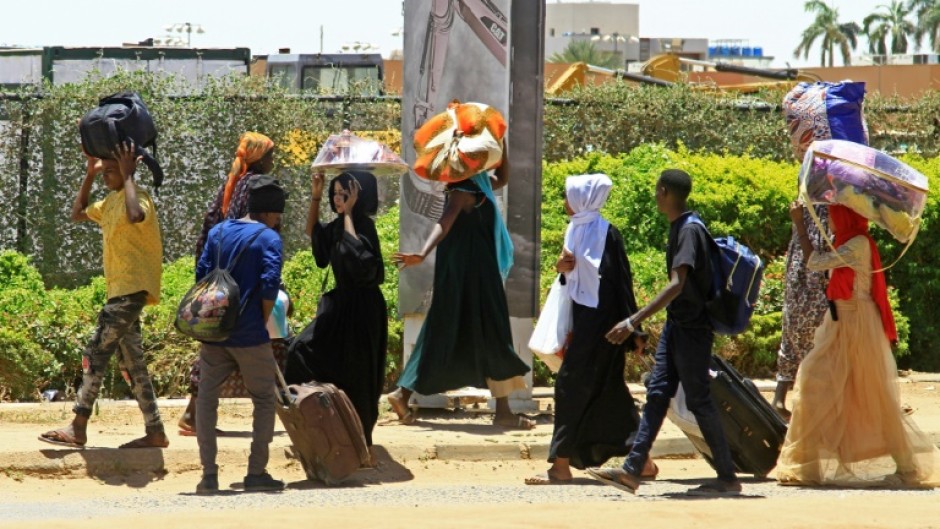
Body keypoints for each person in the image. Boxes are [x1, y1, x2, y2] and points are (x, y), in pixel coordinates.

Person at [588, 169, 742, 497]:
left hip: (692, 330)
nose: (655, 195)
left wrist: (633, 321)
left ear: (663, 192)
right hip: (678, 327)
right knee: (657, 393)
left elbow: (677, 284)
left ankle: (728, 476)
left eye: (656, 191)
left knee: (698, 399)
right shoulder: (682, 226)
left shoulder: (689, 231)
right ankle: (631, 470)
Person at [776, 203, 940, 487]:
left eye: (836, 215)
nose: (833, 221)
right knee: (816, 383)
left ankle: (908, 468)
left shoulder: (858, 244)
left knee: (875, 397)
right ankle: (805, 466)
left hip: (857, 325)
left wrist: (800, 224)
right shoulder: (847, 241)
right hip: (841, 322)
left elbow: (814, 262)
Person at [525, 173, 655, 485]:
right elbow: (572, 280)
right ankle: (644, 462)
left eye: (568, 197)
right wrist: (561, 269)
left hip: (606, 329)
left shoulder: (608, 234)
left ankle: (560, 466)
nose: (565, 203)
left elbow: (621, 285)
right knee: (609, 392)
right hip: (584, 323)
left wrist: (633, 330)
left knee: (570, 388)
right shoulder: (575, 229)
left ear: (584, 199)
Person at [388, 151, 534, 430]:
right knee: (493, 331)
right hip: (472, 275)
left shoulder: (478, 184)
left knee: (444, 330)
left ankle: (402, 394)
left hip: (469, 273)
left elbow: (503, 176)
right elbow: (445, 222)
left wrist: (500, 145)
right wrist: (422, 252)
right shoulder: (464, 189)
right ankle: (503, 413)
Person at [39, 140, 168, 450]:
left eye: (111, 171)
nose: (107, 176)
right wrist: (89, 174)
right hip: (118, 292)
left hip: (132, 290)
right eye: (106, 171)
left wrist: (127, 176)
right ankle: (155, 431)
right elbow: (78, 212)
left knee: (95, 352)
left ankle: (78, 426)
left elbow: (135, 214)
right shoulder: (109, 203)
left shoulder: (140, 199)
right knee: (133, 364)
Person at [193, 176, 286, 494]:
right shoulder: (269, 238)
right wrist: (258, 321)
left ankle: (208, 476)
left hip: (215, 333)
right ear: (272, 213)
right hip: (249, 335)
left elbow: (201, 275)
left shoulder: (219, 231)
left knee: (207, 399)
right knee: (263, 400)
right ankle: (255, 472)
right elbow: (269, 284)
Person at [179, 132, 276, 435]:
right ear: (259, 158)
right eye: (271, 155)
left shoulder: (233, 183)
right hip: (242, 276)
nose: (274, 160)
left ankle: (196, 415)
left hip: (219, 274)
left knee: (219, 342)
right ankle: (195, 415)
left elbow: (211, 226)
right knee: (236, 343)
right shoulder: (254, 186)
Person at [284, 170, 388, 454]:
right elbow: (314, 235)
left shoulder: (364, 227)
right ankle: (317, 426)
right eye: (336, 194)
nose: (338, 199)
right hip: (339, 308)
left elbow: (363, 263)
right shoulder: (336, 225)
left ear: (359, 196)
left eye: (346, 194)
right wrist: (316, 195)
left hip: (364, 311)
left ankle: (362, 443)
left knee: (359, 374)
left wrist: (350, 216)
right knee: (299, 352)